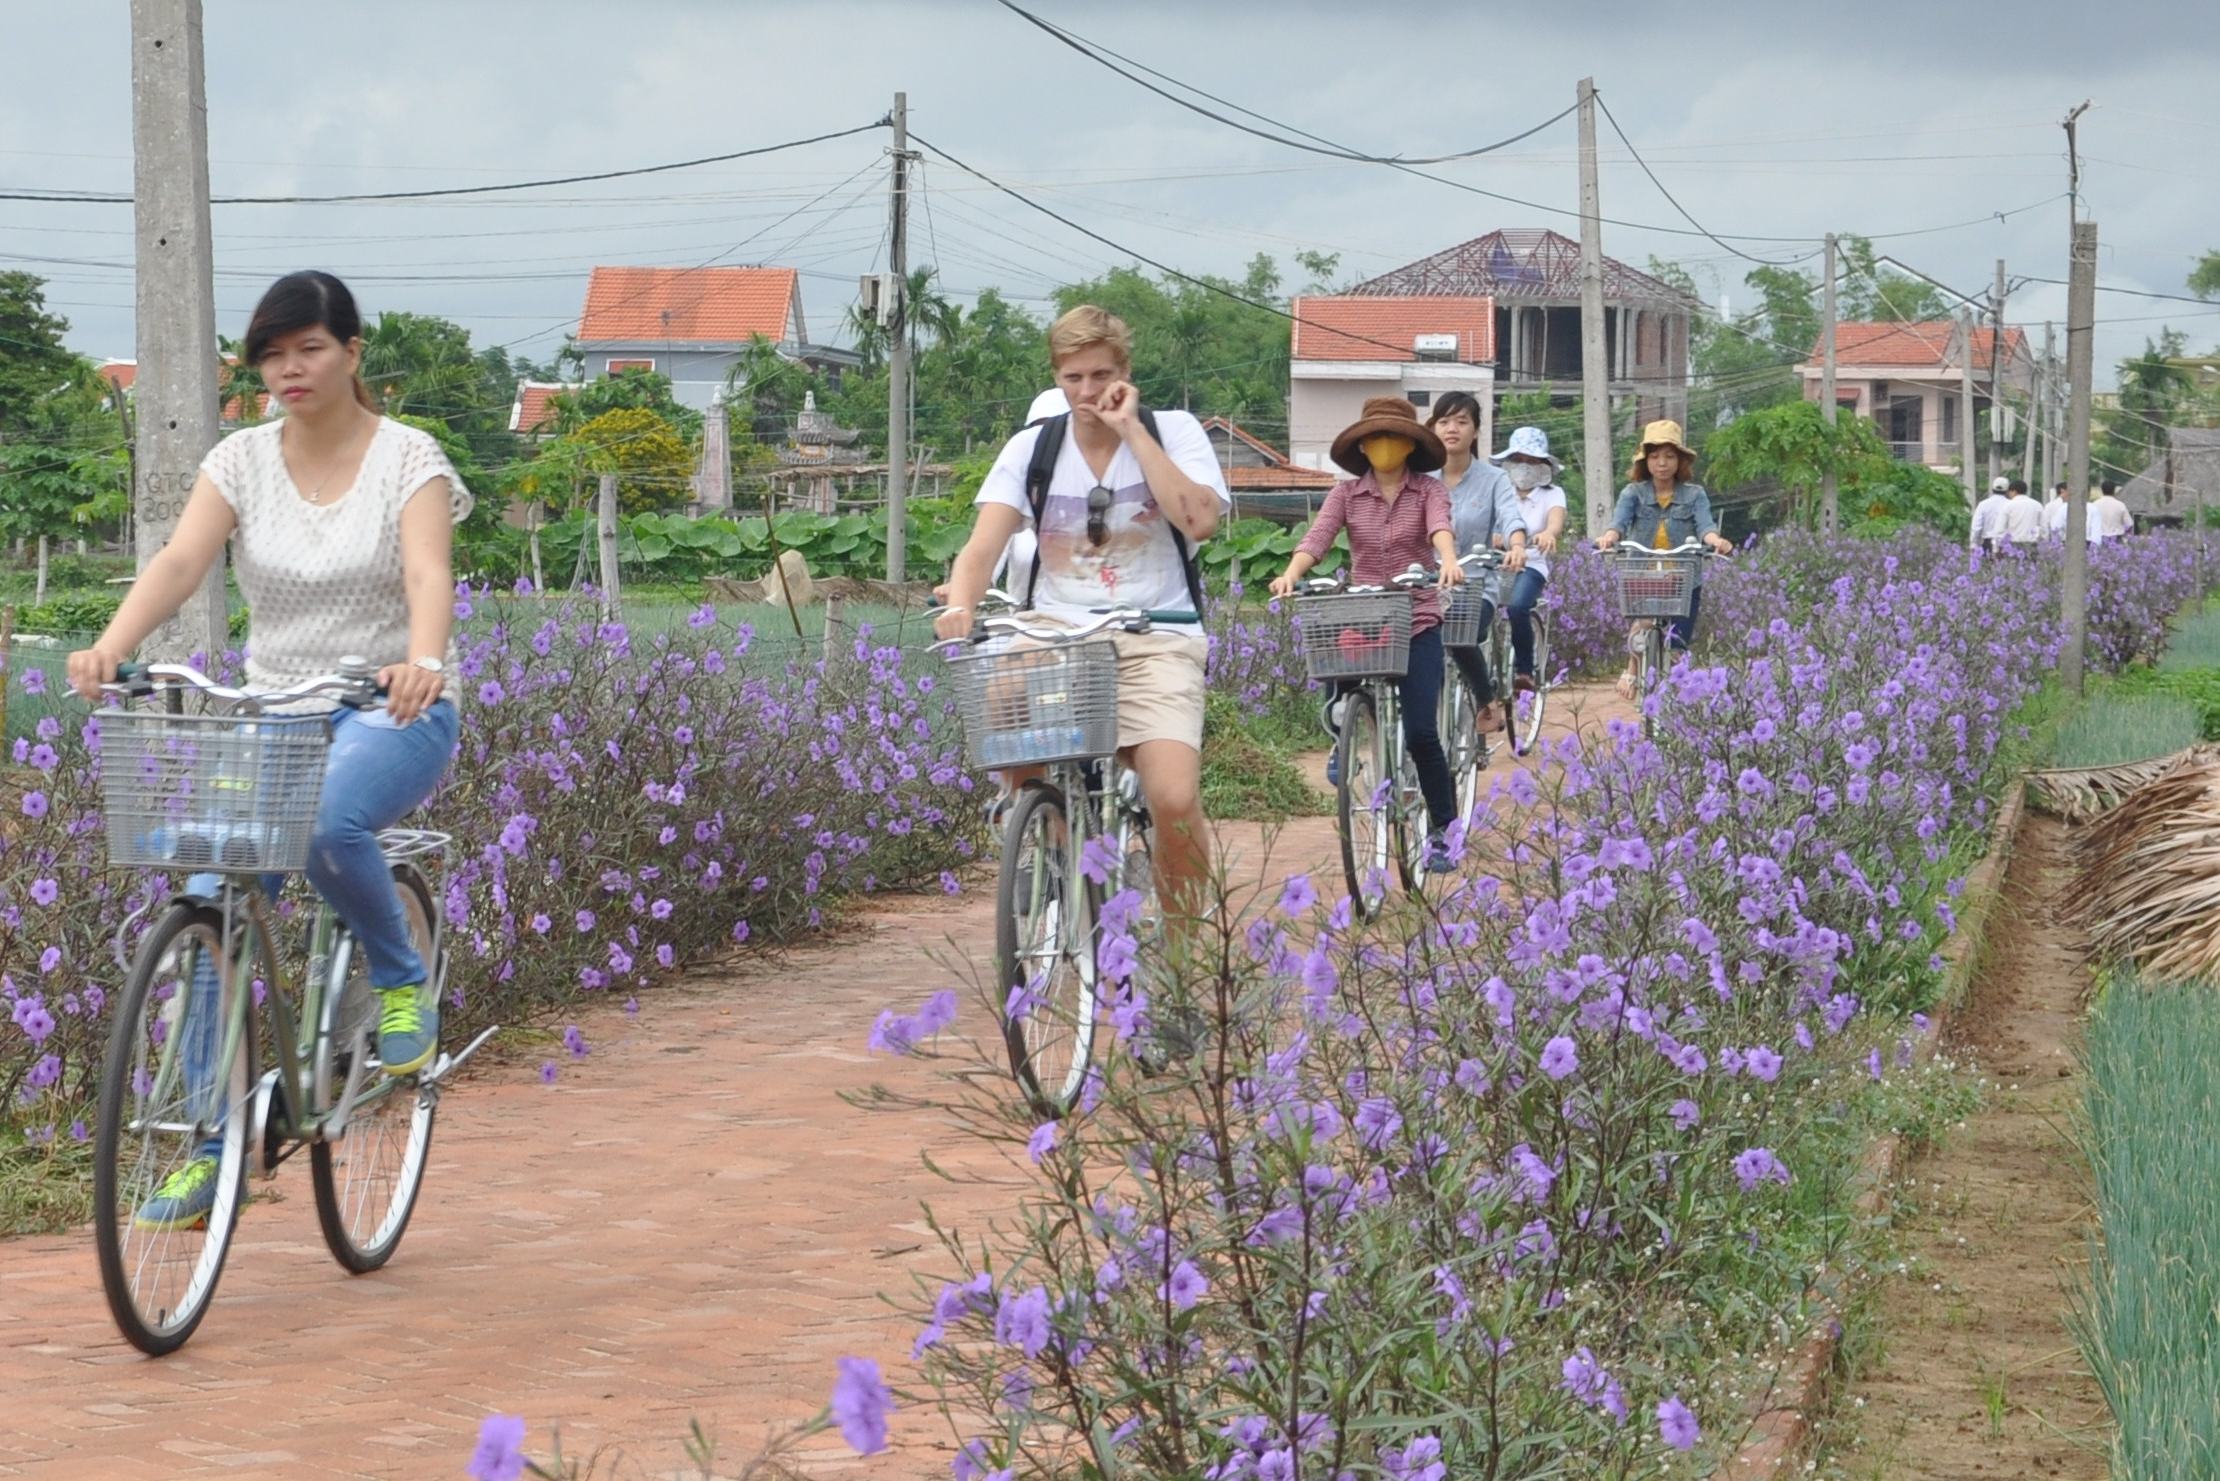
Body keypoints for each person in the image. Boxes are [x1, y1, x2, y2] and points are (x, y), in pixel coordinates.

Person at [66, 270, 470, 1228]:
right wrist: (111, 645)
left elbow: (427, 567)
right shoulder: (240, 461)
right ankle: (215, 1147)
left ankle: (403, 979)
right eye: (273, 356)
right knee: (209, 900)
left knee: (332, 821)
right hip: (276, 710)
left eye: (310, 349)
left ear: (351, 352)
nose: (290, 369)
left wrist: (423, 659)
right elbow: (176, 560)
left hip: (390, 707)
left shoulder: (408, 458)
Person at [936, 306, 1228, 923]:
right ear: (1057, 378)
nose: (1088, 391)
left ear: (1124, 372)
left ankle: (1182, 965)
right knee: (1001, 690)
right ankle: (1050, 834)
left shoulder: (1172, 431)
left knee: (1174, 799)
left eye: (1101, 375)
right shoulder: (1033, 447)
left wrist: (1133, 433)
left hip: (1157, 632)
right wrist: (961, 602)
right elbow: (981, 547)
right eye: (1074, 378)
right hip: (1056, 629)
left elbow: (1200, 519)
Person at [1269, 397, 1466, 871]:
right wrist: (1291, 573)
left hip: (1415, 614)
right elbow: (1318, 537)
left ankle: (1444, 832)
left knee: (1421, 732)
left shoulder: (1428, 492)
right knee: (1333, 657)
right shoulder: (1345, 494)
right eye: (1374, 438)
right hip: (1366, 613)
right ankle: (1343, 734)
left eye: (1392, 437)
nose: (1383, 446)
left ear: (1410, 444)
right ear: (1361, 444)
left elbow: (1440, 528)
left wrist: (1449, 559)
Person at [1594, 420, 1732, 699]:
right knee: (1642, 624)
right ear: (1646, 461)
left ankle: (1677, 702)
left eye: (1669, 456)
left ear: (1680, 461)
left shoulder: (1694, 494)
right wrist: (1608, 537)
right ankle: (1632, 667)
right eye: (1655, 456)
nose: (1662, 463)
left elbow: (1705, 526)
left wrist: (1716, 542)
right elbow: (1618, 522)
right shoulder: (1633, 493)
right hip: (1643, 575)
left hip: (1683, 578)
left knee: (1678, 649)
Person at [1427, 391, 1526, 737]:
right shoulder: (1422, 478)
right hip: (1426, 586)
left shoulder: (1493, 478)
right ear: (1432, 428)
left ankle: (1485, 699)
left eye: (1461, 421)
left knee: (1458, 634)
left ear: (1476, 431)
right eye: (1443, 421)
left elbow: (1511, 516)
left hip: (1473, 585)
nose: (1451, 428)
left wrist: (1516, 544)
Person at [1492, 425, 1569, 692]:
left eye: (1532, 460)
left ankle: (1524, 670)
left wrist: (1548, 533)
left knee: (1517, 607)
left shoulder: (1552, 494)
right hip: (1496, 563)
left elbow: (1555, 521)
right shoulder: (1500, 492)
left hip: (1531, 565)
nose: (1524, 467)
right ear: (1509, 463)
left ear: (1544, 464)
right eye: (1519, 460)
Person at [1969, 476, 2011, 553]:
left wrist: (1973, 543)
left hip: (1988, 542)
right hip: (2006, 544)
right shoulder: (2011, 504)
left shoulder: (1983, 504)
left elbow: (1976, 527)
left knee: (1988, 564)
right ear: (2007, 490)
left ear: (1992, 489)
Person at [1999, 478, 2045, 548]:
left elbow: (2000, 528)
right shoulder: (2037, 505)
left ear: (2014, 491)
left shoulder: (2008, 505)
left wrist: (1997, 547)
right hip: (2032, 544)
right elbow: (2044, 528)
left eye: (2009, 492)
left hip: (2013, 545)